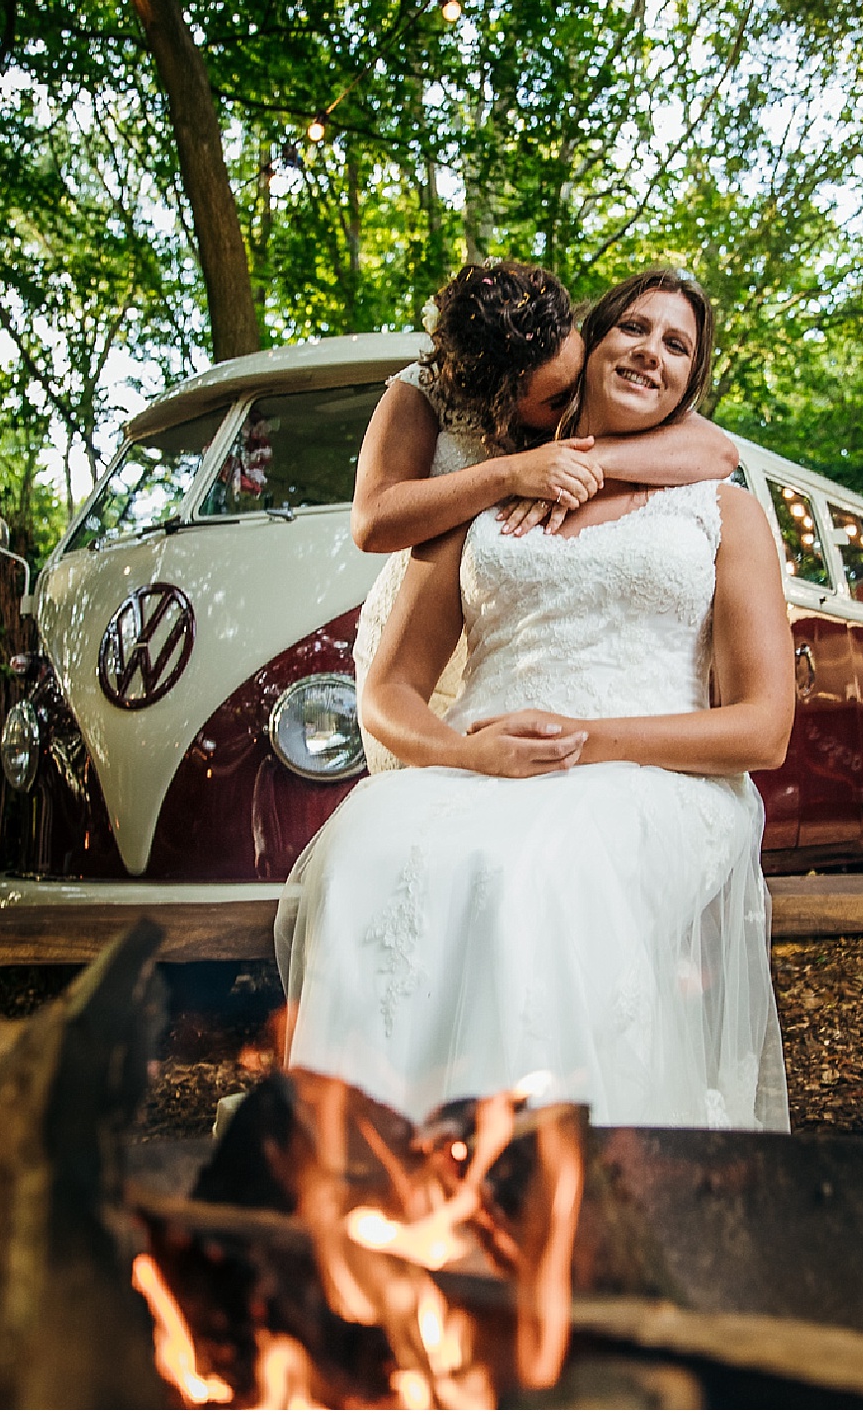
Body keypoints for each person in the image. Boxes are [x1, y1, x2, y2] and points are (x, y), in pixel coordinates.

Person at [279, 269, 794, 1131]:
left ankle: (549, 1181)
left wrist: (586, 740)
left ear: (691, 387)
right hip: (479, 764)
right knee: (372, 856)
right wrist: (466, 751)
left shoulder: (719, 511)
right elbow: (390, 689)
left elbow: (765, 729)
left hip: (654, 774)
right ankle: (382, 1187)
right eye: (633, 327)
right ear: (586, 348)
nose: (650, 351)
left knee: (537, 870)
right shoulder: (487, 487)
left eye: (677, 346)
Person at [349, 258, 738, 771]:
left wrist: (591, 459)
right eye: (560, 398)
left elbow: (718, 451)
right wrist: (509, 474)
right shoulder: (422, 394)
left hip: (527, 629)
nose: (580, 396)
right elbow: (374, 519)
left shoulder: (581, 369)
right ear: (499, 405)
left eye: (579, 370)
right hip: (438, 607)